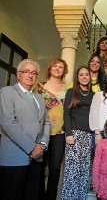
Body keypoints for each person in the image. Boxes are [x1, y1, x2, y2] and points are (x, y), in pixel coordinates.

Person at [0, 59, 50, 200]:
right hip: (14, 157)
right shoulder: (7, 92)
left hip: (36, 157)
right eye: (26, 72)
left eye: (34, 73)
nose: (30, 75)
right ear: (18, 74)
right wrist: (32, 147)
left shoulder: (39, 98)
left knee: (31, 196)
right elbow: (8, 123)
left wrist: (43, 145)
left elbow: (46, 122)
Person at [37, 57, 68, 200]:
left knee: (55, 168)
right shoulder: (39, 86)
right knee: (40, 166)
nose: (57, 68)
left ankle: (50, 197)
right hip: (41, 131)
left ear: (64, 71)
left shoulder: (68, 89)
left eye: (60, 67)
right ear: (50, 68)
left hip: (60, 132)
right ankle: (39, 196)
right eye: (55, 66)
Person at [61, 66, 94, 199]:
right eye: (81, 75)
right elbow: (66, 113)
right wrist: (68, 134)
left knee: (84, 169)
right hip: (73, 134)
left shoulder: (93, 95)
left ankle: (81, 197)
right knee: (72, 170)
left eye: (87, 74)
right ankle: (69, 197)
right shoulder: (71, 92)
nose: (84, 77)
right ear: (77, 77)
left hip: (87, 135)